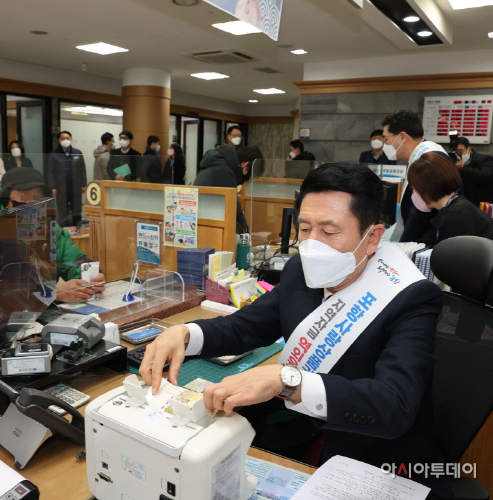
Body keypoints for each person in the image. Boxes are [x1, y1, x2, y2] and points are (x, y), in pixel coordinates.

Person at [141, 163, 450, 496]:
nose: (311, 244)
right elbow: (248, 326)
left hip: (374, 458)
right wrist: (186, 334)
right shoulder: (299, 270)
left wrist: (286, 380)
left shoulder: (411, 296)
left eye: (329, 232)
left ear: (372, 236)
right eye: (304, 228)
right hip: (299, 436)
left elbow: (394, 404)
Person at [0, 168, 105, 303]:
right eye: (23, 201)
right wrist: (53, 293)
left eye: (37, 200)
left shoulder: (55, 233)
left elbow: (76, 262)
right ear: (6, 203)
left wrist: (92, 276)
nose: (30, 208)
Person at [381, 109, 454, 243]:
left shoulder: (429, 160)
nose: (384, 145)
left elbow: (422, 213)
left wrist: (405, 244)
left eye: (386, 139)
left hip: (429, 240)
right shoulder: (419, 157)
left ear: (402, 137)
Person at [408, 152, 493, 248]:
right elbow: (424, 241)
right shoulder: (455, 208)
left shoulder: (456, 214)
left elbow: (445, 256)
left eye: (414, 188)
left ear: (427, 187)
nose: (413, 193)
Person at [194, 143, 249, 233]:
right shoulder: (224, 171)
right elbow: (233, 207)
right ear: (245, 165)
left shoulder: (213, 166)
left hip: (202, 221)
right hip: (209, 226)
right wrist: (245, 232)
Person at [46, 131, 87, 226]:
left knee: (76, 210)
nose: (66, 140)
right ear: (59, 141)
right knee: (62, 211)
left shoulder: (78, 153)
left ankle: (77, 230)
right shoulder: (54, 154)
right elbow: (50, 172)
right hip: (61, 189)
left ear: (71, 140)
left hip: (76, 188)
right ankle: (64, 231)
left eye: (67, 138)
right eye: (63, 138)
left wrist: (83, 185)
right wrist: (52, 187)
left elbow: (82, 170)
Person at [454, 137, 493, 206]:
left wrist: (463, 168)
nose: (458, 155)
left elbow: (486, 177)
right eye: (456, 153)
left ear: (469, 149)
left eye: (461, 152)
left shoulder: (485, 159)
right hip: (466, 203)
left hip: (487, 203)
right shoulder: (454, 164)